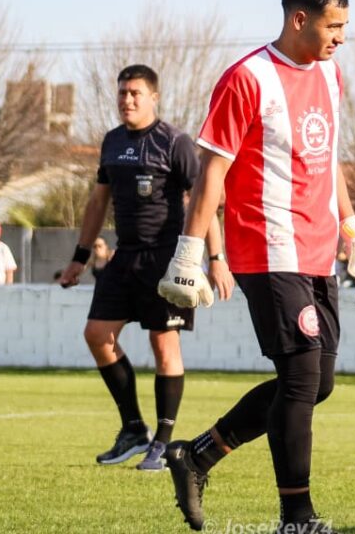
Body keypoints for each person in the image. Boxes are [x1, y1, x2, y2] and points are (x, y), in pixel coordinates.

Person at [156, 0, 355, 534]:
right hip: (268, 246)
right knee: (301, 378)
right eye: (334, 25)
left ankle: (197, 455)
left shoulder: (331, 74)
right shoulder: (246, 78)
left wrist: (353, 232)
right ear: (299, 19)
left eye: (345, 26)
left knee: (317, 383)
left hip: (318, 252)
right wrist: (190, 253)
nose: (341, 37)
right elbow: (213, 172)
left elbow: (328, 162)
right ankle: (296, 517)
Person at [57, 64, 233, 472]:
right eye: (122, 93)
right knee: (97, 335)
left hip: (166, 258)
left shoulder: (175, 142)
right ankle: (133, 428)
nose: (127, 100)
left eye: (135, 93)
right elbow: (98, 202)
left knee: (163, 344)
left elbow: (206, 200)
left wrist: (215, 258)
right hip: (125, 256)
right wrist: (80, 257)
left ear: (153, 97)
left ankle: (163, 441)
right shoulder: (112, 142)